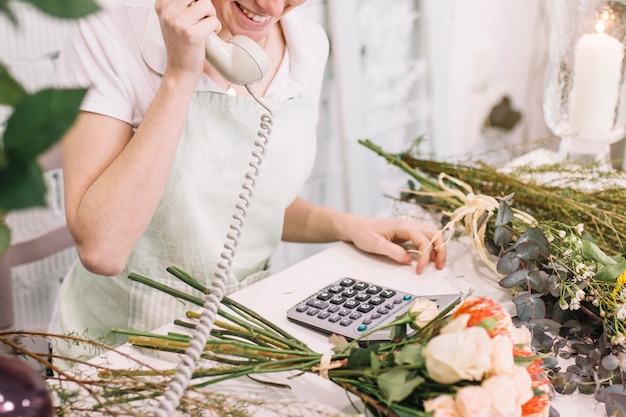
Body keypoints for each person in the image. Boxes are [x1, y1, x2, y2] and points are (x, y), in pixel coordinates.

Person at [50, 0, 446, 360]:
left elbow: (245, 198)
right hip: (116, 351)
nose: (272, 7)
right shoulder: (107, 31)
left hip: (241, 339)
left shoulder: (306, 46)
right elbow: (103, 250)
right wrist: (180, 75)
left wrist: (354, 226)